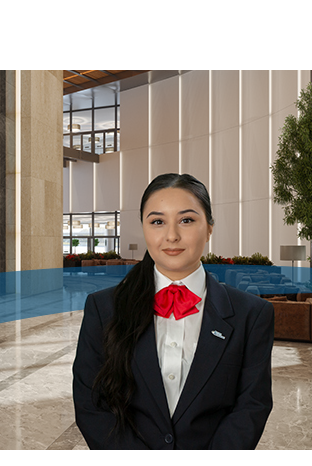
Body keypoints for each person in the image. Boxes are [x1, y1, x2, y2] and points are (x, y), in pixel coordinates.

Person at [72, 173, 274, 449]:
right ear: (144, 228)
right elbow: (91, 404)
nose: (171, 236)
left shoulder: (251, 314)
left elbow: (252, 406)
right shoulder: (103, 308)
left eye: (187, 220)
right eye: (157, 222)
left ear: (210, 227)